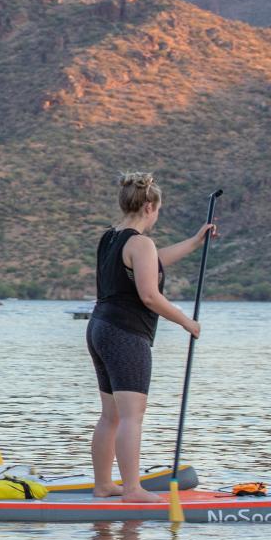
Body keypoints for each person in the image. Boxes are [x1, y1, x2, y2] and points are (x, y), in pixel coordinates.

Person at [87, 173, 214, 503]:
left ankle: (103, 485)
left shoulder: (111, 238)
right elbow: (149, 295)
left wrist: (194, 242)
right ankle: (132, 489)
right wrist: (188, 322)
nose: (157, 215)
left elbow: (152, 264)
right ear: (148, 206)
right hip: (126, 334)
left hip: (100, 328)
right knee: (131, 415)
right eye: (158, 209)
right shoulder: (141, 243)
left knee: (111, 415)